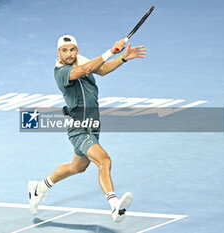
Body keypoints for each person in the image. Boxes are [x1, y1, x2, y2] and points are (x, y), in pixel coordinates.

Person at [28, 35, 146, 223]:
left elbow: (103, 69)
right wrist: (111, 51)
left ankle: (39, 188)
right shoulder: (61, 72)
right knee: (104, 160)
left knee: (78, 167)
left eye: (72, 49)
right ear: (58, 53)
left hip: (93, 124)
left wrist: (123, 58)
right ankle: (115, 205)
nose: (69, 53)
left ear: (77, 49)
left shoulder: (81, 60)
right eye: (64, 50)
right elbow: (86, 69)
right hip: (79, 128)